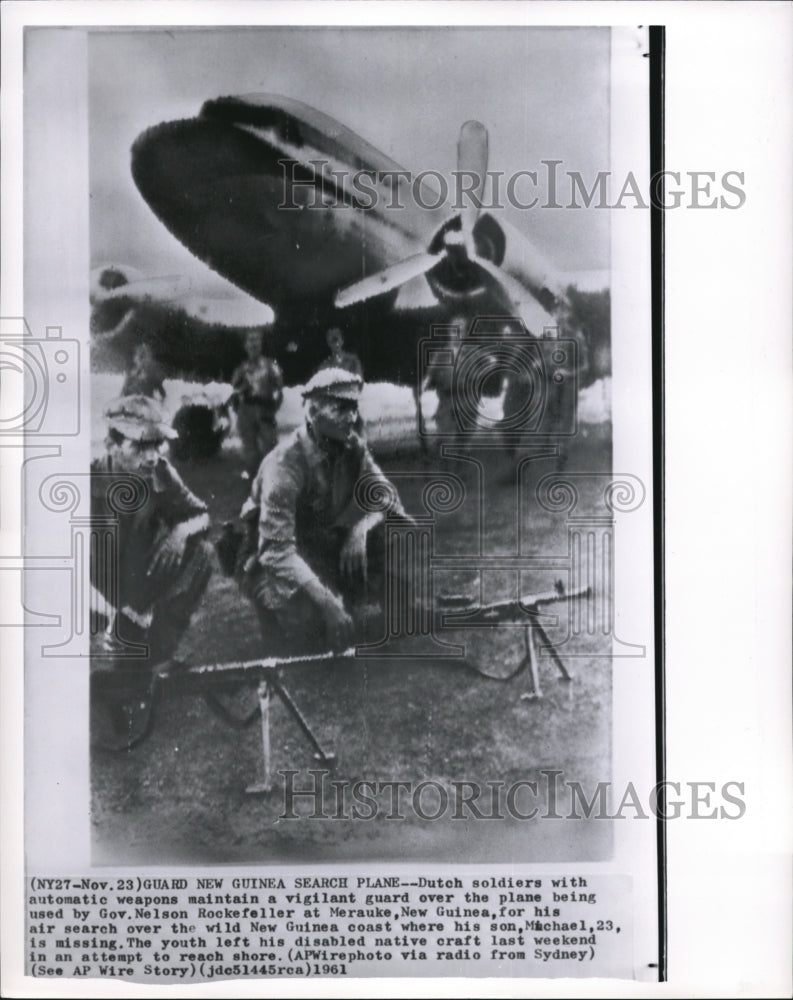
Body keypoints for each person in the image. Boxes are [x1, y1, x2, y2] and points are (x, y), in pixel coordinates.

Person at [238, 367, 410, 654]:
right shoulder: (284, 465)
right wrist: (328, 604)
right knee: (310, 629)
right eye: (340, 409)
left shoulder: (351, 447)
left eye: (353, 408)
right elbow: (276, 551)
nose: (351, 418)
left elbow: (387, 497)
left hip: (316, 544)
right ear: (313, 412)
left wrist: (361, 528)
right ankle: (274, 608)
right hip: (267, 553)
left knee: (388, 541)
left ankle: (348, 596)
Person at [91, 394, 214, 668]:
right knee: (96, 681)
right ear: (111, 445)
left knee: (202, 553)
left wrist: (180, 532)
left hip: (133, 584)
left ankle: (158, 653)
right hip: (91, 593)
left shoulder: (159, 472)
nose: (151, 457)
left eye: (157, 446)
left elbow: (201, 515)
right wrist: (106, 616)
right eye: (140, 447)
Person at [229, 327, 284, 477]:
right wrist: (240, 412)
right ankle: (254, 484)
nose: (253, 345)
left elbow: (279, 390)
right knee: (251, 454)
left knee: (270, 450)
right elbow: (233, 393)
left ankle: (272, 483)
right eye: (250, 340)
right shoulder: (241, 369)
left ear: (261, 344)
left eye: (256, 340)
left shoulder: (270, 366)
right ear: (245, 345)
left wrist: (273, 409)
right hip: (246, 412)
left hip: (265, 410)